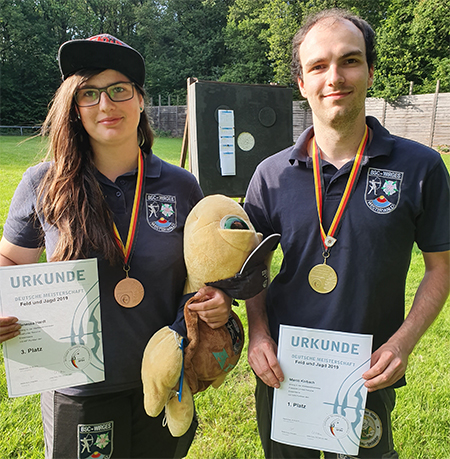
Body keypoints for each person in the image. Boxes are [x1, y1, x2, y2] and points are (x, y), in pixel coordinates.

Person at [0, 34, 232, 459]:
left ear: (140, 100)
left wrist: (217, 300)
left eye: (118, 90)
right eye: (90, 93)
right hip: (77, 385)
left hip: (164, 379)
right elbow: (10, 259)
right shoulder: (43, 183)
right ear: (75, 107)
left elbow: (203, 276)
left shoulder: (182, 186)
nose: (105, 105)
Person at [244, 8, 450, 459]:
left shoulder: (420, 167)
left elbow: (441, 268)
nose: (334, 76)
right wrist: (258, 333)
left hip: (367, 373)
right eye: (318, 66)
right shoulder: (270, 175)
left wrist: (403, 342)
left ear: (371, 72)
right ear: (302, 83)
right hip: (285, 371)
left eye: (349, 60)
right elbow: (252, 269)